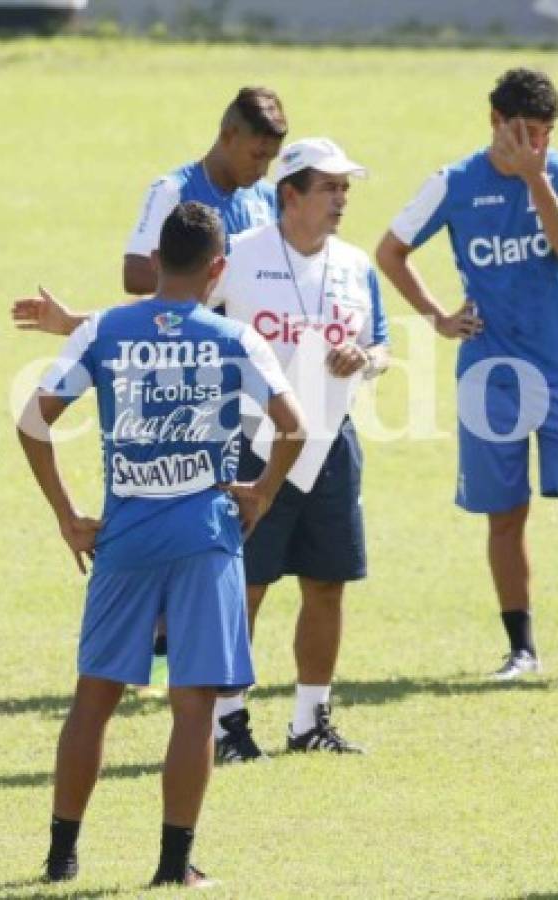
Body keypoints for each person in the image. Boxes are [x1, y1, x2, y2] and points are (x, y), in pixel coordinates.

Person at [18, 201, 303, 887]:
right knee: (194, 703)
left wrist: (66, 514)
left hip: (124, 536)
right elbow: (292, 429)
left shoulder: (105, 331)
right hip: (205, 535)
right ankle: (174, 865)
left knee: (94, 697)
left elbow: (33, 421)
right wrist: (259, 493)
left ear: (154, 263)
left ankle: (61, 857)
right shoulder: (234, 339)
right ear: (217, 267)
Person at [375, 68, 558, 681]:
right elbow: (389, 250)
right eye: (525, 133)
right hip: (490, 379)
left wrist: (536, 182)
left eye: (546, 134)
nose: (537, 145)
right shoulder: (452, 182)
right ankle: (522, 651)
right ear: (495, 124)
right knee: (505, 515)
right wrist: (437, 318)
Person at [206, 137, 389, 761]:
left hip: (334, 443)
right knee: (246, 585)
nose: (342, 199)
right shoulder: (237, 256)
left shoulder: (358, 264)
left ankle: (310, 721)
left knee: (328, 582)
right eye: (330, 187)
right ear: (290, 194)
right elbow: (188, 318)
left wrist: (364, 358)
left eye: (346, 187)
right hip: (254, 445)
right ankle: (226, 724)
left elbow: (383, 345)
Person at [122, 86, 287, 294]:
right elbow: (135, 274)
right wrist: (227, 284)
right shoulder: (172, 190)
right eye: (256, 156)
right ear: (228, 136)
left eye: (270, 159)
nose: (263, 170)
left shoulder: (270, 199)